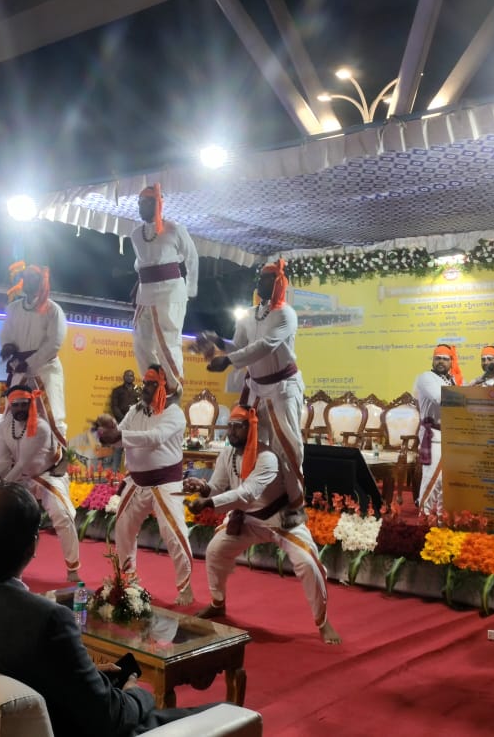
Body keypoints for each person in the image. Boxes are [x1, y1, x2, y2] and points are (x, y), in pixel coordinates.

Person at [0, 485, 210, 737]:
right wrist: (137, 693)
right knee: (220, 714)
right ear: (33, 546)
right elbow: (109, 719)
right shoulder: (44, 619)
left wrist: (84, 673)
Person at [184, 406, 340, 644]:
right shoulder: (227, 455)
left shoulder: (267, 457)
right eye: (231, 425)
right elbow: (217, 485)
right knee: (215, 550)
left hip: (282, 521)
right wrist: (203, 488)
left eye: (239, 426)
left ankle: (323, 621)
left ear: (252, 428)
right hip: (247, 520)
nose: (232, 431)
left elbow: (247, 493)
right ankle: (218, 603)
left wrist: (208, 502)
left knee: (309, 564)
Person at [203, 260, 306, 526]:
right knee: (247, 444)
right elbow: (238, 345)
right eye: (259, 280)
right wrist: (218, 342)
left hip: (283, 389)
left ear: (279, 284)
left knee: (287, 448)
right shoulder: (249, 314)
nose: (260, 284)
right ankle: (245, 504)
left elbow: (265, 346)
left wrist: (227, 361)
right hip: (256, 388)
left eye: (266, 280)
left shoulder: (286, 315)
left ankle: (295, 506)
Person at [95, 365, 194, 605]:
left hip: (166, 483)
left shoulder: (174, 413)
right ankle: (128, 580)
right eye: (145, 383)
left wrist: (119, 436)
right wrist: (110, 432)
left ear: (165, 389)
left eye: (152, 384)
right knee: (123, 528)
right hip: (137, 481)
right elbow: (121, 439)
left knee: (173, 533)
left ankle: (186, 588)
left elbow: (155, 438)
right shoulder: (135, 411)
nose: (145, 388)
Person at [0, 384, 81, 582]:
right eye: (16, 405)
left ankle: (72, 568)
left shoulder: (39, 427)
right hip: (21, 477)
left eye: (24, 404)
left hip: (47, 475)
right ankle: (12, 568)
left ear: (31, 403)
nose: (20, 409)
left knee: (62, 514)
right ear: (10, 405)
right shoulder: (4, 427)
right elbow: (5, 462)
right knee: (8, 518)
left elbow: (22, 463)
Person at [130, 183, 198, 395]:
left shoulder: (175, 229)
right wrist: (139, 283)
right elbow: (140, 263)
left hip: (170, 293)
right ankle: (153, 382)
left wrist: (190, 290)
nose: (141, 207)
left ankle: (174, 387)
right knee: (141, 341)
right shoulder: (135, 234)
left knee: (166, 343)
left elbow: (192, 257)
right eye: (139, 203)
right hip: (145, 293)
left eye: (146, 203)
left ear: (158, 204)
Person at [0, 263, 68, 440]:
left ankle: (56, 462)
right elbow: (5, 334)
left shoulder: (53, 310)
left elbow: (54, 343)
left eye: (34, 279)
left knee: (52, 416)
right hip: (19, 369)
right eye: (27, 278)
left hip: (45, 371)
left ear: (42, 282)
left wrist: (28, 363)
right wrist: (7, 347)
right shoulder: (13, 308)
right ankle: (12, 461)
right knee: (11, 415)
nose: (29, 282)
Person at [412, 344, 463, 512]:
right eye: (437, 358)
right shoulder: (426, 377)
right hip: (433, 435)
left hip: (450, 435)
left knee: (446, 481)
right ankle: (424, 516)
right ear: (433, 360)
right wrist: (468, 396)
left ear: (451, 361)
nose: (441, 361)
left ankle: (440, 519)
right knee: (432, 478)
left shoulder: (452, 380)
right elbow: (440, 398)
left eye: (445, 358)